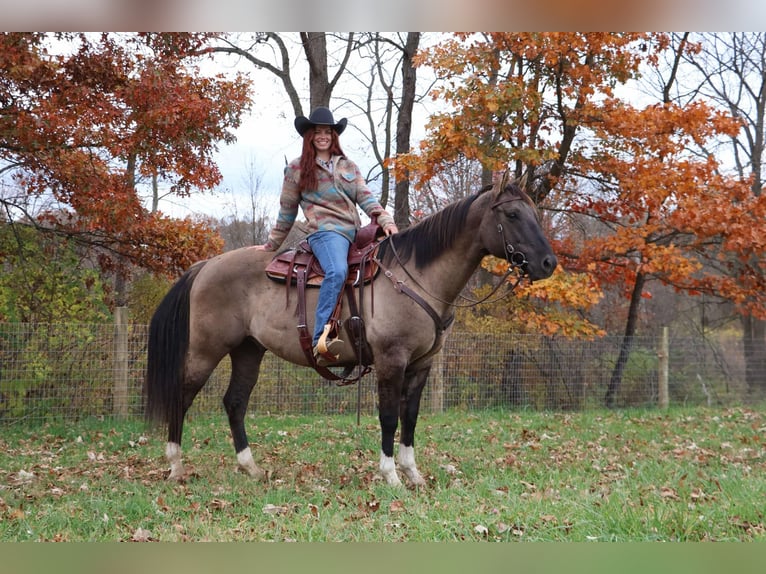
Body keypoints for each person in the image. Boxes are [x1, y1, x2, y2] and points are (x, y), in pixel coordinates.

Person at [255, 106, 398, 365]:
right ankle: (321, 338)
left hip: (354, 233)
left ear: (334, 136)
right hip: (325, 232)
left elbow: (366, 197)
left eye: (328, 132)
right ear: (309, 136)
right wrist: (272, 243)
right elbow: (287, 211)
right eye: (317, 132)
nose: (323, 136)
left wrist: (384, 219)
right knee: (336, 271)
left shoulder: (348, 166)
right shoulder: (297, 169)